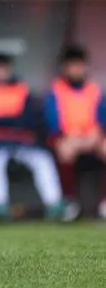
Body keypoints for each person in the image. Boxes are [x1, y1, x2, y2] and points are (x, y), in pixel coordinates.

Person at [0, 52, 65, 221]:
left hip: (21, 141)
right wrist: (12, 120)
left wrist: (0, 120)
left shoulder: (22, 89)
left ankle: (55, 204)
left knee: (43, 159)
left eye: (4, 68)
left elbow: (29, 119)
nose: (0, 72)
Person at [44, 44, 106, 221]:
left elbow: (101, 119)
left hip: (92, 137)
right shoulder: (56, 90)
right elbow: (52, 122)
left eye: (79, 65)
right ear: (64, 67)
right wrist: (70, 137)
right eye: (72, 65)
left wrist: (94, 136)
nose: (76, 69)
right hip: (66, 137)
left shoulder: (94, 89)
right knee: (66, 150)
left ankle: (103, 203)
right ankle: (69, 201)